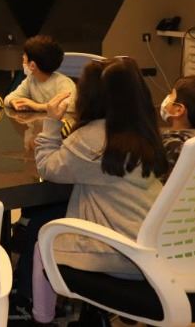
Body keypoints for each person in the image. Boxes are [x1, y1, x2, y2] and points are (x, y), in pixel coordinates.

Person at [30, 57, 167, 323]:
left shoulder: (91, 138)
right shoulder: (145, 132)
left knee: (42, 244)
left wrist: (51, 122)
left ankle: (41, 319)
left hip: (121, 253)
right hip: (154, 244)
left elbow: (48, 167)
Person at [5, 35, 76, 112]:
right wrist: (12, 102)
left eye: (24, 59)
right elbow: (8, 98)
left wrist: (37, 106)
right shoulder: (30, 80)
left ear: (32, 66)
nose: (23, 62)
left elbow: (70, 107)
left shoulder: (63, 83)